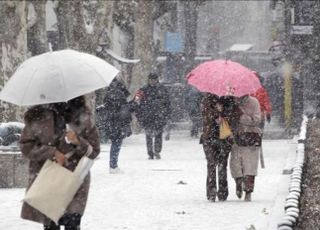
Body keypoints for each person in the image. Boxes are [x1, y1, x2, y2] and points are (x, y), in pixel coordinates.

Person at [20, 95, 100, 230]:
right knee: (51, 225)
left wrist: (78, 142)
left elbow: (94, 151)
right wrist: (52, 153)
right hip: (47, 181)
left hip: (74, 183)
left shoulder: (82, 116)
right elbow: (26, 147)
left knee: (72, 224)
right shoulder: (37, 115)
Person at [200, 93, 240, 202]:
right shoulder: (207, 99)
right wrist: (215, 114)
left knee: (222, 165)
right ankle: (211, 192)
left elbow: (236, 116)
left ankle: (222, 192)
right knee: (211, 164)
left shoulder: (230, 99)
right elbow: (204, 115)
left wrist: (224, 114)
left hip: (225, 137)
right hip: (209, 137)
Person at [230, 95, 261, 202]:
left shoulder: (254, 102)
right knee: (235, 164)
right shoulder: (232, 101)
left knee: (250, 166)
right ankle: (238, 182)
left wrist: (242, 116)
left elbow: (257, 120)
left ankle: (248, 191)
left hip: (250, 137)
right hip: (236, 137)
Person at [135, 73, 171, 160]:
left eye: (154, 80)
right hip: (147, 116)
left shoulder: (162, 89)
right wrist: (140, 112)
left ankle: (157, 151)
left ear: (157, 80)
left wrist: (167, 114)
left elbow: (167, 103)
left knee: (158, 134)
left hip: (159, 116)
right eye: (151, 80)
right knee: (149, 135)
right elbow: (137, 100)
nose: (152, 81)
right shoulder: (143, 89)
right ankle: (150, 152)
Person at [102, 77, 134, 174]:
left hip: (110, 122)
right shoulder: (120, 94)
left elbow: (106, 107)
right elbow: (124, 110)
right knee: (116, 143)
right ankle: (113, 166)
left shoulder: (108, 94)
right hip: (118, 123)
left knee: (114, 143)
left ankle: (113, 165)